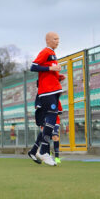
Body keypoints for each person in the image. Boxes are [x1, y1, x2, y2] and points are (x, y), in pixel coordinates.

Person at [27, 31, 63, 166]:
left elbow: (48, 72)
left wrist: (58, 76)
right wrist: (50, 69)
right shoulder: (46, 51)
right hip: (47, 91)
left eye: (58, 39)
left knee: (51, 121)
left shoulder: (52, 53)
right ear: (47, 40)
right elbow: (33, 66)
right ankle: (43, 151)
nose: (57, 41)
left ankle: (38, 151)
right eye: (55, 39)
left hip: (53, 90)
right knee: (51, 118)